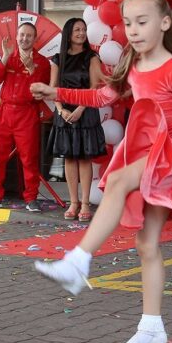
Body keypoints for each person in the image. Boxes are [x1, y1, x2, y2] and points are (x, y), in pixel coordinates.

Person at [30, 0, 172, 343]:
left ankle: (78, 262)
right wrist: (54, 92)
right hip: (153, 150)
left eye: (142, 22)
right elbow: (99, 97)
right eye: (128, 23)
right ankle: (151, 328)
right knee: (146, 245)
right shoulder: (134, 65)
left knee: (119, 179)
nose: (133, 30)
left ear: (165, 23)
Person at [0, 22, 51, 212]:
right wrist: (4, 57)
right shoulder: (9, 57)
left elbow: (41, 90)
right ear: (16, 36)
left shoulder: (42, 62)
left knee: (29, 158)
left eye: (29, 35)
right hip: (4, 112)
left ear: (35, 39)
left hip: (27, 112)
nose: (24, 38)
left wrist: (32, 69)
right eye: (21, 35)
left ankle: (31, 198)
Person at [47, 18, 105, 223]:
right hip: (64, 112)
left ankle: (86, 203)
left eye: (84, 29)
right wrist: (61, 110)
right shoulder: (57, 59)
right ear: (68, 33)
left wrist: (81, 108)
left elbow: (94, 86)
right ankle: (73, 202)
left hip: (85, 110)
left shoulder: (92, 56)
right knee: (69, 157)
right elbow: (53, 88)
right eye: (77, 29)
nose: (81, 33)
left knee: (84, 157)